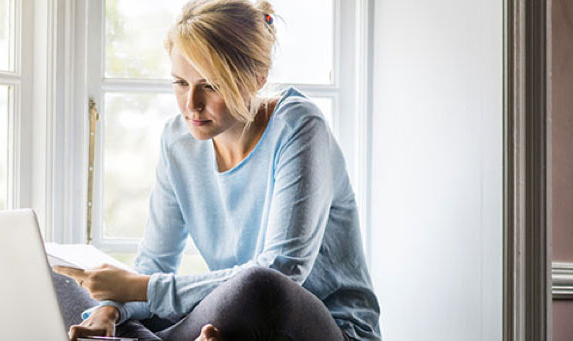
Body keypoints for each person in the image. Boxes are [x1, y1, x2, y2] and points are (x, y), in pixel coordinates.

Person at [52, 0, 381, 340]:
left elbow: (283, 269)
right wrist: (109, 310)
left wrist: (141, 287)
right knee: (62, 282)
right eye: (180, 83)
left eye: (210, 85)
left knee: (259, 284)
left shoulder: (298, 126)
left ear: (257, 78)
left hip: (320, 327)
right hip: (237, 322)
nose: (191, 104)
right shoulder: (177, 140)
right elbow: (154, 265)